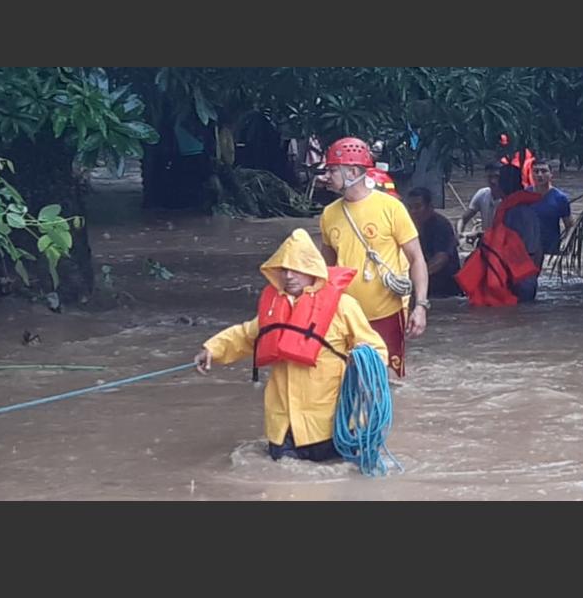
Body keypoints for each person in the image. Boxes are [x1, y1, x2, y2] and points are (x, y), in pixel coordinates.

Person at [193, 229, 388, 463]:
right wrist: (212, 349)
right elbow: (245, 336)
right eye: (284, 269)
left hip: (329, 424)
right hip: (283, 427)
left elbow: (375, 349)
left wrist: (364, 362)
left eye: (296, 269)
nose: (289, 276)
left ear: (312, 269)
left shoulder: (343, 306)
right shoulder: (274, 309)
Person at [318, 137, 429, 378]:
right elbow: (326, 270)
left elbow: (416, 259)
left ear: (352, 172)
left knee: (389, 381)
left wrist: (420, 306)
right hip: (345, 316)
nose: (327, 176)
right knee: (348, 380)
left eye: (333, 170)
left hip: (386, 313)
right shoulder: (328, 214)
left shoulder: (391, 208)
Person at [455, 164, 543, 306]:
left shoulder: (514, 213)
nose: (494, 183)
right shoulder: (525, 210)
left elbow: (505, 250)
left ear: (504, 185)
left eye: (498, 179)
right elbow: (537, 250)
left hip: (515, 279)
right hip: (526, 277)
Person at [406, 187, 462, 298]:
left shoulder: (441, 225)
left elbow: (441, 259)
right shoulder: (409, 226)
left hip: (444, 287)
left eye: (417, 207)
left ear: (429, 207)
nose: (413, 212)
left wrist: (417, 277)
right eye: (410, 207)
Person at [530, 159, 575, 257]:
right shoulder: (524, 196)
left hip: (551, 251)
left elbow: (570, 226)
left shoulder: (560, 198)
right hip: (529, 250)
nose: (540, 175)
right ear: (531, 174)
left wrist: (566, 243)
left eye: (544, 171)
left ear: (551, 174)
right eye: (536, 171)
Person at [457, 162, 502, 240]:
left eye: (496, 177)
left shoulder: (508, 199)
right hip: (486, 240)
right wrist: (459, 233)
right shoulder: (482, 194)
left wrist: (478, 234)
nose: (493, 181)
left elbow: (502, 231)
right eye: (490, 177)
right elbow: (463, 219)